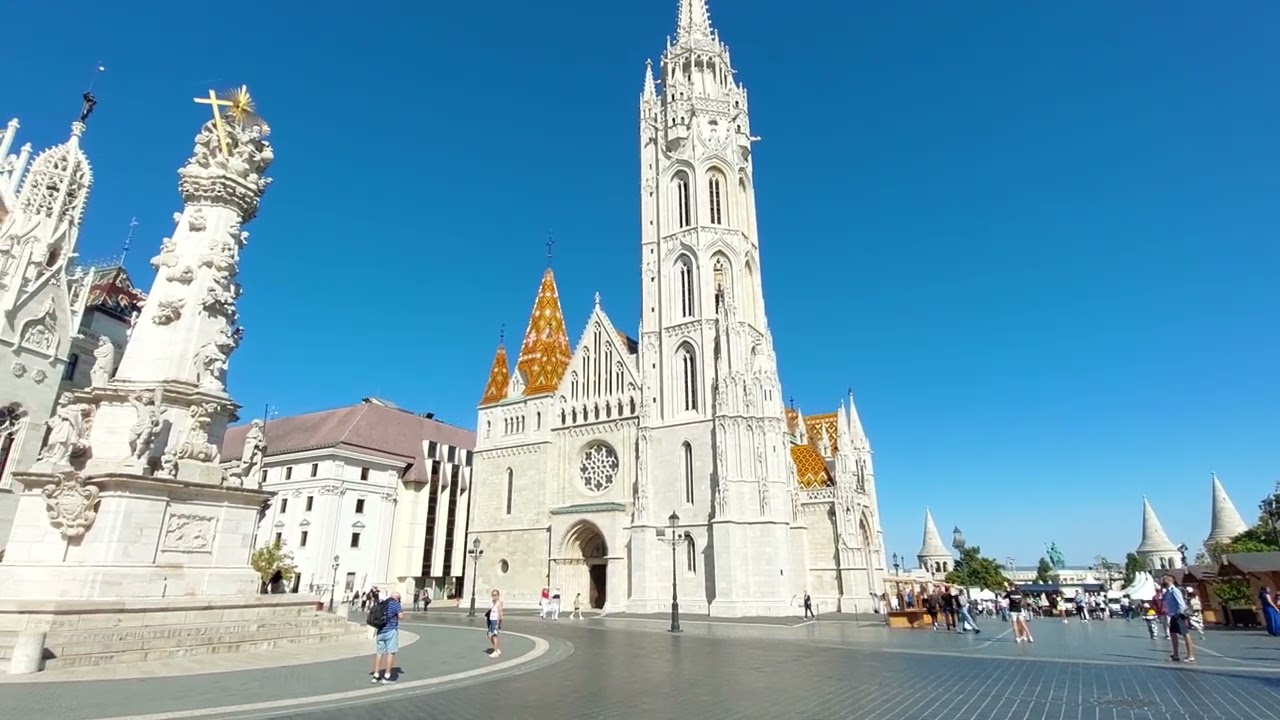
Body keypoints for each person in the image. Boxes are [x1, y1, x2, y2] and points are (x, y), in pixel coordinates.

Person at [371, 591, 404, 683]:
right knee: (391, 652)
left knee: (379, 652)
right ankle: (387, 675)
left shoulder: (383, 603)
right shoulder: (395, 604)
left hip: (381, 630)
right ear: (397, 598)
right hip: (391, 630)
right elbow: (401, 616)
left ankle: (376, 674)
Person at [1161, 575, 1195, 663]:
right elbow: (1163, 599)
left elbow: (1181, 603)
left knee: (1185, 634)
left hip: (1178, 614)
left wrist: (1179, 613)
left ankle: (1190, 656)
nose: (1162, 580)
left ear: (1169, 580)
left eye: (1163, 579)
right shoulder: (1168, 592)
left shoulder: (1175, 590)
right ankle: (1175, 654)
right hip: (1172, 615)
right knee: (1172, 634)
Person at [486, 588, 505, 658]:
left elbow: (500, 615)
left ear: (498, 596)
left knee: (494, 636)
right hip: (490, 621)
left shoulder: (498, 604)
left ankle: (496, 651)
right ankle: (497, 649)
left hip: (495, 621)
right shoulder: (492, 603)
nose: (494, 596)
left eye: (495, 595)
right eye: (493, 595)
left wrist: (498, 624)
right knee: (490, 636)